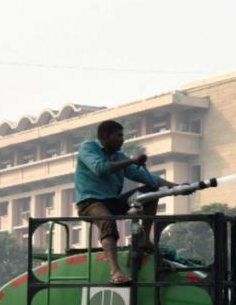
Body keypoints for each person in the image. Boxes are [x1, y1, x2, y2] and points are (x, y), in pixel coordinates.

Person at [75, 120, 175, 284]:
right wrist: (131, 161)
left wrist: (176, 187)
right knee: (108, 221)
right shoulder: (88, 148)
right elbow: (101, 168)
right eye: (119, 136)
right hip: (90, 202)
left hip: (112, 201)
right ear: (105, 137)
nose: (122, 140)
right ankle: (115, 272)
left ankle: (144, 240)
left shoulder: (118, 156)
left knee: (150, 193)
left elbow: (147, 178)